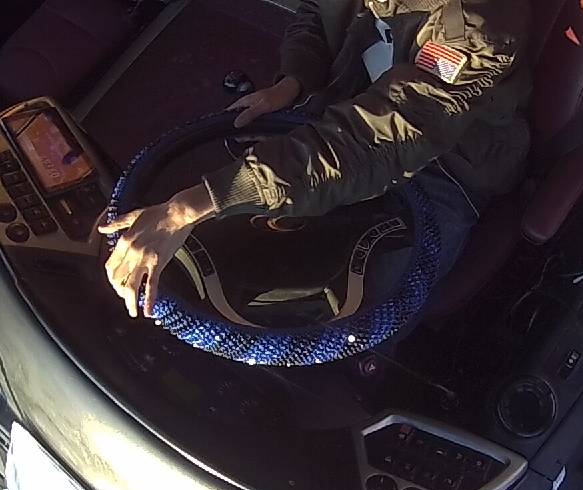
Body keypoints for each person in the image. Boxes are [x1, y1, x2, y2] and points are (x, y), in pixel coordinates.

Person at [100, 0, 532, 319]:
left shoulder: (482, 25)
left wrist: (188, 208)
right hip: (346, 105)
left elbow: (375, 144)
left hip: (446, 166)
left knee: (359, 316)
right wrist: (294, 80)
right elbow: (317, 11)